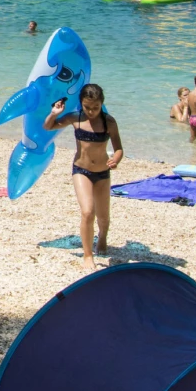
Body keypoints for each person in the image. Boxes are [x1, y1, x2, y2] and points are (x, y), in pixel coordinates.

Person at [44, 84, 123, 271]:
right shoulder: (75, 118)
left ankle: (102, 236)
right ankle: (88, 255)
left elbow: (119, 148)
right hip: (81, 170)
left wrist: (116, 159)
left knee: (103, 216)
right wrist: (54, 113)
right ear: (81, 103)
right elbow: (48, 126)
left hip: (102, 173)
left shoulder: (109, 122)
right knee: (87, 212)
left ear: (102, 104)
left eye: (96, 107)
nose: (91, 111)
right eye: (87, 107)